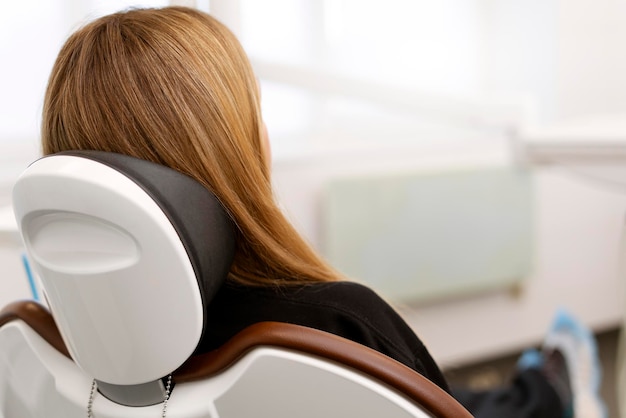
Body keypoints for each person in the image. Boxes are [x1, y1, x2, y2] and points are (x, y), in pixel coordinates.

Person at [41, 6, 606, 418]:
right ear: (235, 148)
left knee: (478, 395)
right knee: (504, 403)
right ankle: (552, 386)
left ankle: (540, 381)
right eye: (253, 113)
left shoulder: (59, 344)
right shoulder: (331, 323)